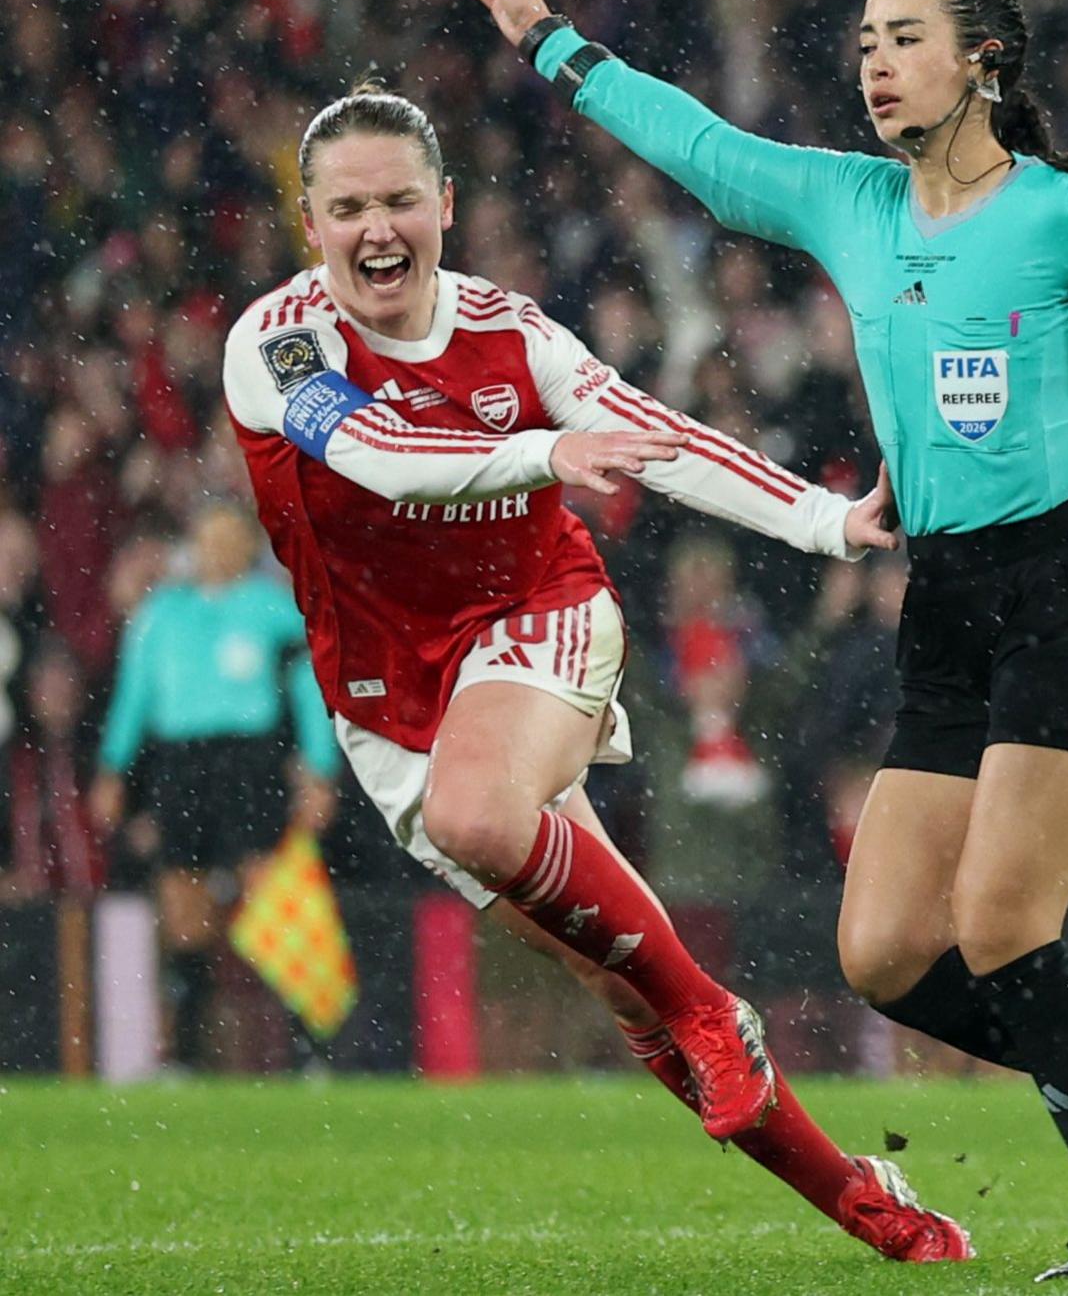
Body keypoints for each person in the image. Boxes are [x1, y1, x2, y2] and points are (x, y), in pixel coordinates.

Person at [462, 0, 1068, 1280]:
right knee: (885, 950)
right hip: (944, 603)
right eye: (868, 43)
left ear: (982, 61)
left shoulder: (1066, 213)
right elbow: (702, 145)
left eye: (906, 39)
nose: (876, 65)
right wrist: (548, 38)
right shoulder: (852, 203)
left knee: (1005, 929)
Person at [221, 77, 969, 1263]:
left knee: (500, 829)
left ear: (445, 206)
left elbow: (655, 438)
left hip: (539, 614)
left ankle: (715, 1010)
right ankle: (864, 1198)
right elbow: (380, 455)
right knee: (625, 984)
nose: (378, 231)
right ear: (308, 225)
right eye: (349, 207)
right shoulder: (276, 344)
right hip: (386, 702)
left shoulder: (512, 332)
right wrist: (544, 450)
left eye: (402, 201)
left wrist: (826, 523)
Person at [90, 502, 339, 1068]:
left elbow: (309, 692)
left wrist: (320, 772)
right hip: (182, 765)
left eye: (230, 538)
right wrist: (111, 769)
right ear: (193, 545)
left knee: (270, 894)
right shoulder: (161, 614)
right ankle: (188, 1053)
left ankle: (308, 1050)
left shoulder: (274, 611)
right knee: (183, 902)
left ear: (249, 548)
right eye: (209, 537)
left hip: (249, 763)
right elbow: (133, 698)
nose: (219, 549)